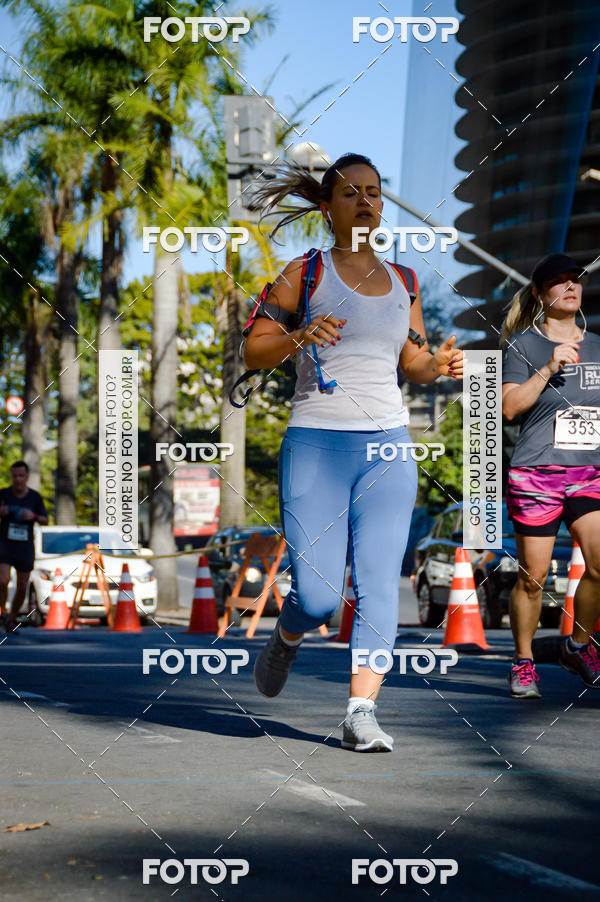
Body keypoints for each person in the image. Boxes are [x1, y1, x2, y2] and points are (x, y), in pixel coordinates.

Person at [245, 153, 463, 751]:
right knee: (316, 595)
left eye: (373, 192)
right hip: (317, 441)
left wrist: (437, 365)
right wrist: (298, 334)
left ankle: (360, 710)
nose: (365, 201)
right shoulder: (304, 272)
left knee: (376, 582)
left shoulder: (405, 281)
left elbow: (412, 361)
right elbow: (254, 352)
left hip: (389, 447)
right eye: (350, 193)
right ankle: (287, 633)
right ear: (327, 207)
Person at [502, 253, 600, 697]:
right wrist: (549, 367)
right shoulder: (523, 345)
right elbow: (508, 407)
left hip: (590, 471)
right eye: (559, 282)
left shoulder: (598, 344)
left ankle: (577, 645)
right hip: (537, 471)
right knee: (533, 577)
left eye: (575, 280)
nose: (570, 286)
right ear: (541, 294)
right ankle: (523, 662)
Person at [0, 461, 48, 630]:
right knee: (2, 580)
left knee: (22, 587)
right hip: (5, 544)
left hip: (25, 547)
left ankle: (11, 617)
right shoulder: (4, 494)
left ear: (27, 477)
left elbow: (45, 520)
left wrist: (33, 515)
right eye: (15, 476)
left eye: (21, 476)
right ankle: (3, 613)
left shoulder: (34, 497)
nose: (18, 479)